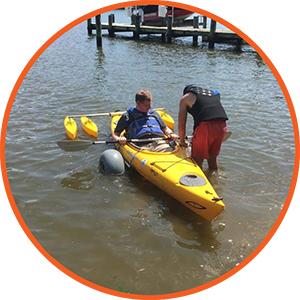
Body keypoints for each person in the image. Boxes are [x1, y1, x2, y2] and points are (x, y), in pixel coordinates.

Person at [178, 84, 228, 172]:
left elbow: (182, 124)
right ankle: (215, 181)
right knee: (212, 160)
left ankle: (197, 183)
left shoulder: (185, 98)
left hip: (206, 127)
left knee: (197, 161)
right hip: (222, 126)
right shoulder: (212, 93)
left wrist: (182, 141)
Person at [112, 89, 177, 151]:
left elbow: (165, 129)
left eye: (150, 104)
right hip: (140, 146)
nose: (149, 107)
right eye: (146, 105)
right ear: (138, 103)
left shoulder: (154, 114)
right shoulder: (128, 116)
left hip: (160, 143)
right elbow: (115, 134)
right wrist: (119, 139)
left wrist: (171, 133)